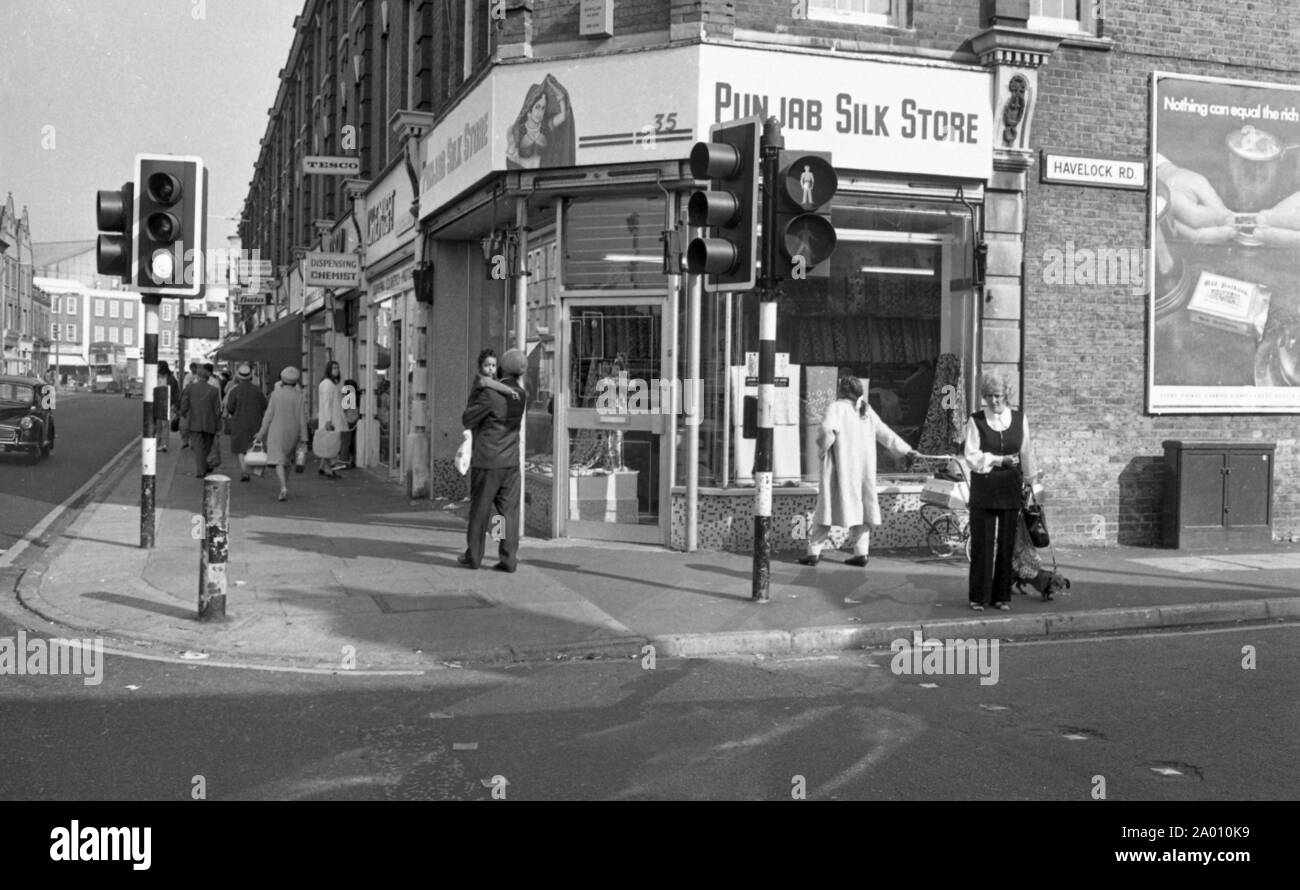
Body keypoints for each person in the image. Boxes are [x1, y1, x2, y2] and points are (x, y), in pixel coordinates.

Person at [799, 374, 916, 568]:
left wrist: (823, 450)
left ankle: (813, 552)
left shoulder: (836, 408)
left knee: (826, 509)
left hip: (839, 467)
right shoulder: (866, 411)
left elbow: (826, 430)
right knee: (861, 510)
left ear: (841, 391)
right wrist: (906, 450)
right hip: (862, 468)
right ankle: (861, 553)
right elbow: (885, 433)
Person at [963, 369, 1037, 612]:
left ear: (1007, 395)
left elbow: (1026, 452)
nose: (994, 401)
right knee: (982, 545)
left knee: (1007, 545)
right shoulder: (976, 420)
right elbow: (971, 456)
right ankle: (978, 597)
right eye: (989, 396)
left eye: (998, 396)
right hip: (984, 489)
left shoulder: (1019, 419)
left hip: (1010, 488)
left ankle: (1002, 596)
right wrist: (997, 460)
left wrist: (1031, 481)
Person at [459, 348, 527, 572]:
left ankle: (474, 557)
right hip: (510, 462)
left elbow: (467, 418)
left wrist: (477, 390)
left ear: (502, 367)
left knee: (480, 510)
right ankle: (508, 559)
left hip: (488, 460)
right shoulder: (521, 394)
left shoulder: (490, 393)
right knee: (507, 512)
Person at [256, 367, 309, 502]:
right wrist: (304, 437)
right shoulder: (299, 396)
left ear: (282, 380)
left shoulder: (276, 394)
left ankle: (283, 486)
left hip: (277, 429)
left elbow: (268, 415)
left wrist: (261, 433)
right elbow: (303, 418)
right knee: (288, 459)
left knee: (279, 460)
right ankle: (285, 483)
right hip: (294, 430)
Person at [225, 363, 268, 483]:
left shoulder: (235, 390)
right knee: (252, 446)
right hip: (255, 422)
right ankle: (254, 468)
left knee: (240, 448)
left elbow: (230, 407)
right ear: (250, 377)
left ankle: (244, 472)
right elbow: (265, 405)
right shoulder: (257, 390)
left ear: (239, 377)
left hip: (239, 422)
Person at [179, 365, 222, 478]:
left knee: (198, 447)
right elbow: (217, 409)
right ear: (208, 378)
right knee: (207, 447)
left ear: (198, 376)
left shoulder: (190, 388)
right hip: (210, 422)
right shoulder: (214, 390)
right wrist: (218, 425)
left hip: (194, 421)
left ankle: (201, 470)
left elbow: (184, 404)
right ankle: (204, 466)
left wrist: (183, 413)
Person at [315, 360, 345, 478]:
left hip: (330, 417)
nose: (336, 370)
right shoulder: (327, 384)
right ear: (329, 370)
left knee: (327, 443)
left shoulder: (328, 383)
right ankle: (328, 469)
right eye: (334, 368)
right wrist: (328, 420)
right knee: (329, 444)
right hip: (330, 419)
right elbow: (327, 403)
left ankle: (322, 466)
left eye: (337, 368)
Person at [154, 360, 181, 453]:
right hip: (157, 404)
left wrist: (175, 405)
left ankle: (164, 444)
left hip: (167, 403)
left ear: (162, 367)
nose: (157, 368)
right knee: (158, 426)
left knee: (165, 425)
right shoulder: (155, 377)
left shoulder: (171, 379)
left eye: (158, 366)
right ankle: (158, 444)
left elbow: (176, 393)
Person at [337, 378, 360, 470]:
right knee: (354, 443)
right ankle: (354, 460)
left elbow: (343, 410)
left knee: (345, 443)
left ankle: (344, 461)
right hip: (356, 421)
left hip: (347, 421)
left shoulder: (347, 397)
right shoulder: (358, 397)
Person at [179, 361, 199, 448]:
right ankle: (185, 442)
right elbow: (185, 388)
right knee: (184, 426)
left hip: (196, 405)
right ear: (190, 368)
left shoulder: (199, 377)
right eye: (192, 368)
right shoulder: (187, 376)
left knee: (193, 426)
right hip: (187, 405)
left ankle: (192, 443)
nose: (193, 369)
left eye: (194, 367)